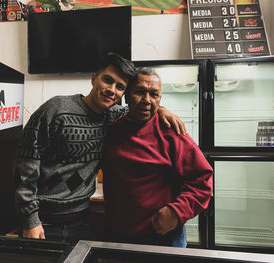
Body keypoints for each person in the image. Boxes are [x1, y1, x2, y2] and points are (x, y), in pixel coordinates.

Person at [14, 53, 186, 242]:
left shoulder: (114, 117)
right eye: (107, 80)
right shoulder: (56, 109)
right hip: (43, 222)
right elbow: (26, 164)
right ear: (94, 78)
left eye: (120, 87)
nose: (112, 90)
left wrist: (162, 109)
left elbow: (143, 106)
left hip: (83, 222)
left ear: (124, 94)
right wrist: (30, 219)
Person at [102, 67, 213, 247]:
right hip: (119, 237)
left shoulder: (172, 132)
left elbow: (203, 180)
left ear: (160, 98)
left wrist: (177, 212)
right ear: (127, 95)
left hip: (162, 238)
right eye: (139, 92)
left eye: (154, 94)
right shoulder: (113, 129)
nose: (147, 100)